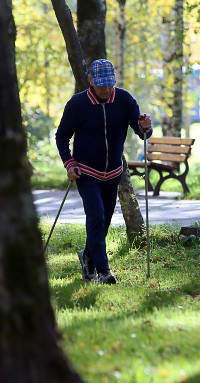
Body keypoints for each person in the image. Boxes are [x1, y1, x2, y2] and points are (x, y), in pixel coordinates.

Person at [55, 59, 152, 284]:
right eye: (101, 86)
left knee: (105, 220)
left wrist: (146, 127)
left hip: (113, 172)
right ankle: (104, 271)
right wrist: (69, 163)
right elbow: (62, 136)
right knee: (96, 216)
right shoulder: (77, 104)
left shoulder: (124, 99)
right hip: (86, 172)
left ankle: (87, 256)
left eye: (110, 84)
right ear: (90, 81)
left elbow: (141, 133)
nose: (107, 90)